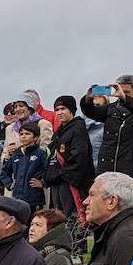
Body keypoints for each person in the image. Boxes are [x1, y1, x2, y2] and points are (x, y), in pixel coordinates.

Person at [81, 76, 133, 186]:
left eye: (126, 92)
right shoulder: (112, 108)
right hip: (107, 167)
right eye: (119, 90)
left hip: (131, 169)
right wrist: (88, 99)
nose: (121, 94)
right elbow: (91, 112)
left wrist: (125, 99)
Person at [40, 95, 94, 223]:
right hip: (57, 183)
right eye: (57, 109)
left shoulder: (78, 129)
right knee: (59, 218)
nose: (59, 112)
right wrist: (48, 177)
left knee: (73, 219)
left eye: (63, 109)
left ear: (71, 110)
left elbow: (78, 159)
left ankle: (77, 243)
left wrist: (59, 175)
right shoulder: (59, 132)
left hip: (71, 183)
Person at [2, 120, 46, 209]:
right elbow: (5, 171)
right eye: (21, 134)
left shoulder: (40, 153)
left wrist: (43, 182)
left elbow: (49, 170)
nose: (24, 136)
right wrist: (9, 183)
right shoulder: (16, 154)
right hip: (17, 198)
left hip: (34, 199)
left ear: (36, 137)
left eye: (27, 134)